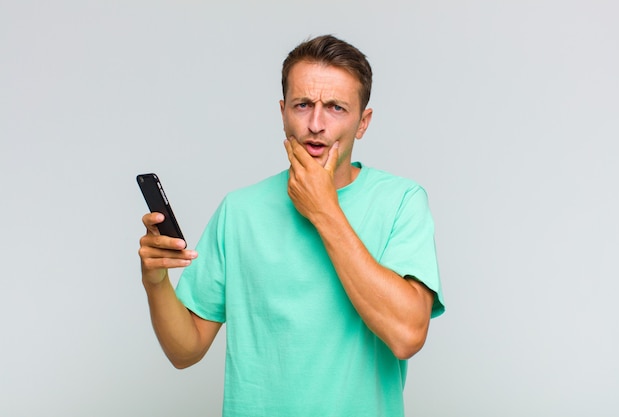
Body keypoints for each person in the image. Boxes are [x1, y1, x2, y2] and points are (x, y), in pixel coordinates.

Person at [139, 34, 445, 417]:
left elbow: (407, 335)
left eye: (336, 108)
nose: (316, 124)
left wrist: (323, 210)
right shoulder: (240, 210)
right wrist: (154, 282)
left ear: (363, 122)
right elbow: (185, 351)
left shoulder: (401, 201)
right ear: (283, 112)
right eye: (303, 105)